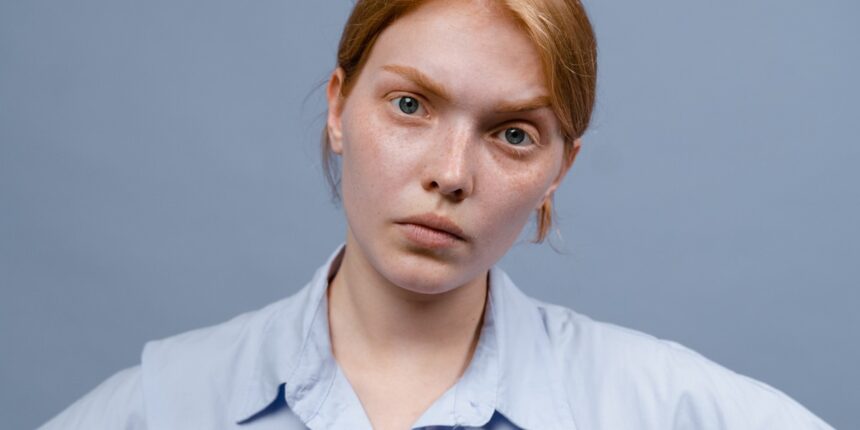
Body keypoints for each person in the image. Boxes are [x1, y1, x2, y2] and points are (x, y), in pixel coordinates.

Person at [41, 0, 834, 429]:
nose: (451, 175)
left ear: (559, 169)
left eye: (513, 134)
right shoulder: (166, 406)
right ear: (339, 107)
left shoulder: (662, 409)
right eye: (411, 105)